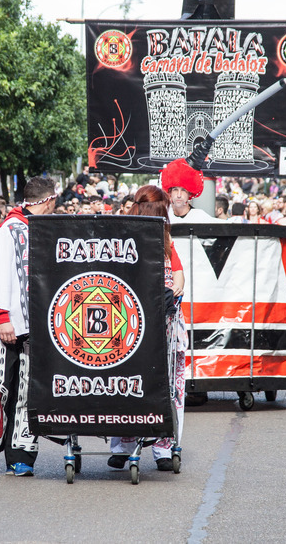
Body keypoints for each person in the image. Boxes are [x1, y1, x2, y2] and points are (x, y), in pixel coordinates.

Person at [0, 176, 56, 476]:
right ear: (47, 200)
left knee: (28, 392)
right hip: (2, 325)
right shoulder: (6, 231)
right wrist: (3, 317)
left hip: (37, 327)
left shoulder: (44, 231)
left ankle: (21, 455)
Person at [109, 185, 185, 472]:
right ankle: (123, 445)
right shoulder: (122, 235)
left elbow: (178, 275)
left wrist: (172, 291)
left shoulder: (166, 238)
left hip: (163, 319)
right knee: (124, 381)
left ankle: (163, 446)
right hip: (128, 321)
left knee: (162, 382)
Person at [160, 158, 211, 223]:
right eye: (175, 190)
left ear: (190, 193)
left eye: (183, 190)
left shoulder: (200, 218)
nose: (179, 195)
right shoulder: (163, 216)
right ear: (170, 192)